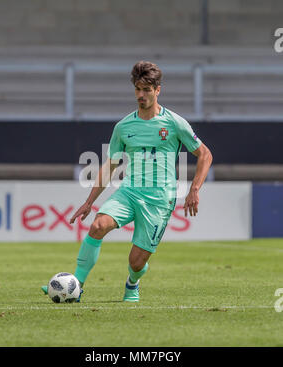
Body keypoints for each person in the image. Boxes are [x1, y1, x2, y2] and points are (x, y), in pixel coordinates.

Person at [42, 61, 213, 302]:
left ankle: (133, 282)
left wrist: (194, 189)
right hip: (129, 192)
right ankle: (76, 286)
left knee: (136, 262)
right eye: (137, 89)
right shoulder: (123, 127)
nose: (141, 95)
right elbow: (109, 166)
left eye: (146, 89)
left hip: (159, 200)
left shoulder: (174, 123)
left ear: (158, 90)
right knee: (98, 226)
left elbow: (205, 154)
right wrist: (89, 202)